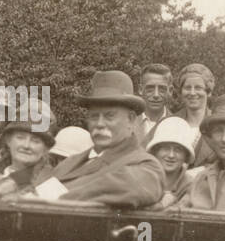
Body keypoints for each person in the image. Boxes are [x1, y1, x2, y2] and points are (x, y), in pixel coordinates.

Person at [40, 71, 164, 208]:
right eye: (94, 116)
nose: (99, 124)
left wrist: (49, 196)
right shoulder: (70, 161)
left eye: (109, 116)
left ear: (131, 119)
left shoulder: (146, 165)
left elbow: (121, 185)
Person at [0, 96, 56, 195]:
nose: (26, 145)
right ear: (8, 140)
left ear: (46, 148)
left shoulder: (50, 188)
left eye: (35, 141)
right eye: (20, 137)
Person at [147, 115, 198, 208]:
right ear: (155, 151)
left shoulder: (192, 185)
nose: (171, 155)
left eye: (178, 150)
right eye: (166, 148)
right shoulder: (143, 178)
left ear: (186, 155)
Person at [175, 62, 218, 167]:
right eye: (187, 88)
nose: (192, 93)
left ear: (208, 92)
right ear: (181, 92)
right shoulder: (171, 122)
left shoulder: (217, 124)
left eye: (198, 88)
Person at [134, 63, 173, 145]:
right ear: (141, 89)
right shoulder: (129, 122)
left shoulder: (176, 124)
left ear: (170, 91)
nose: (156, 95)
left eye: (162, 89)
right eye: (150, 89)